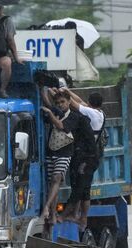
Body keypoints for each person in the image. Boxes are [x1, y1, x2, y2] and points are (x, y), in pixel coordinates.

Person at [58, 89, 104, 227]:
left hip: (87, 156)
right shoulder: (98, 113)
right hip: (89, 155)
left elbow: (74, 104)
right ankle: (79, 217)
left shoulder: (91, 113)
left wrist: (63, 93)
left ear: (90, 103)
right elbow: (79, 102)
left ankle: (68, 215)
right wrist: (67, 91)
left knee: (80, 188)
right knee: (84, 190)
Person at [40, 90, 80, 236]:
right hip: (51, 152)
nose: (60, 105)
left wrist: (50, 114)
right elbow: (47, 103)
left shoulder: (74, 117)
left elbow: (60, 126)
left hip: (65, 153)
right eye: (58, 103)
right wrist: (43, 91)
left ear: (69, 102)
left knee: (57, 178)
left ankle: (46, 207)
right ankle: (52, 213)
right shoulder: (55, 111)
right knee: (52, 183)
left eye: (63, 102)